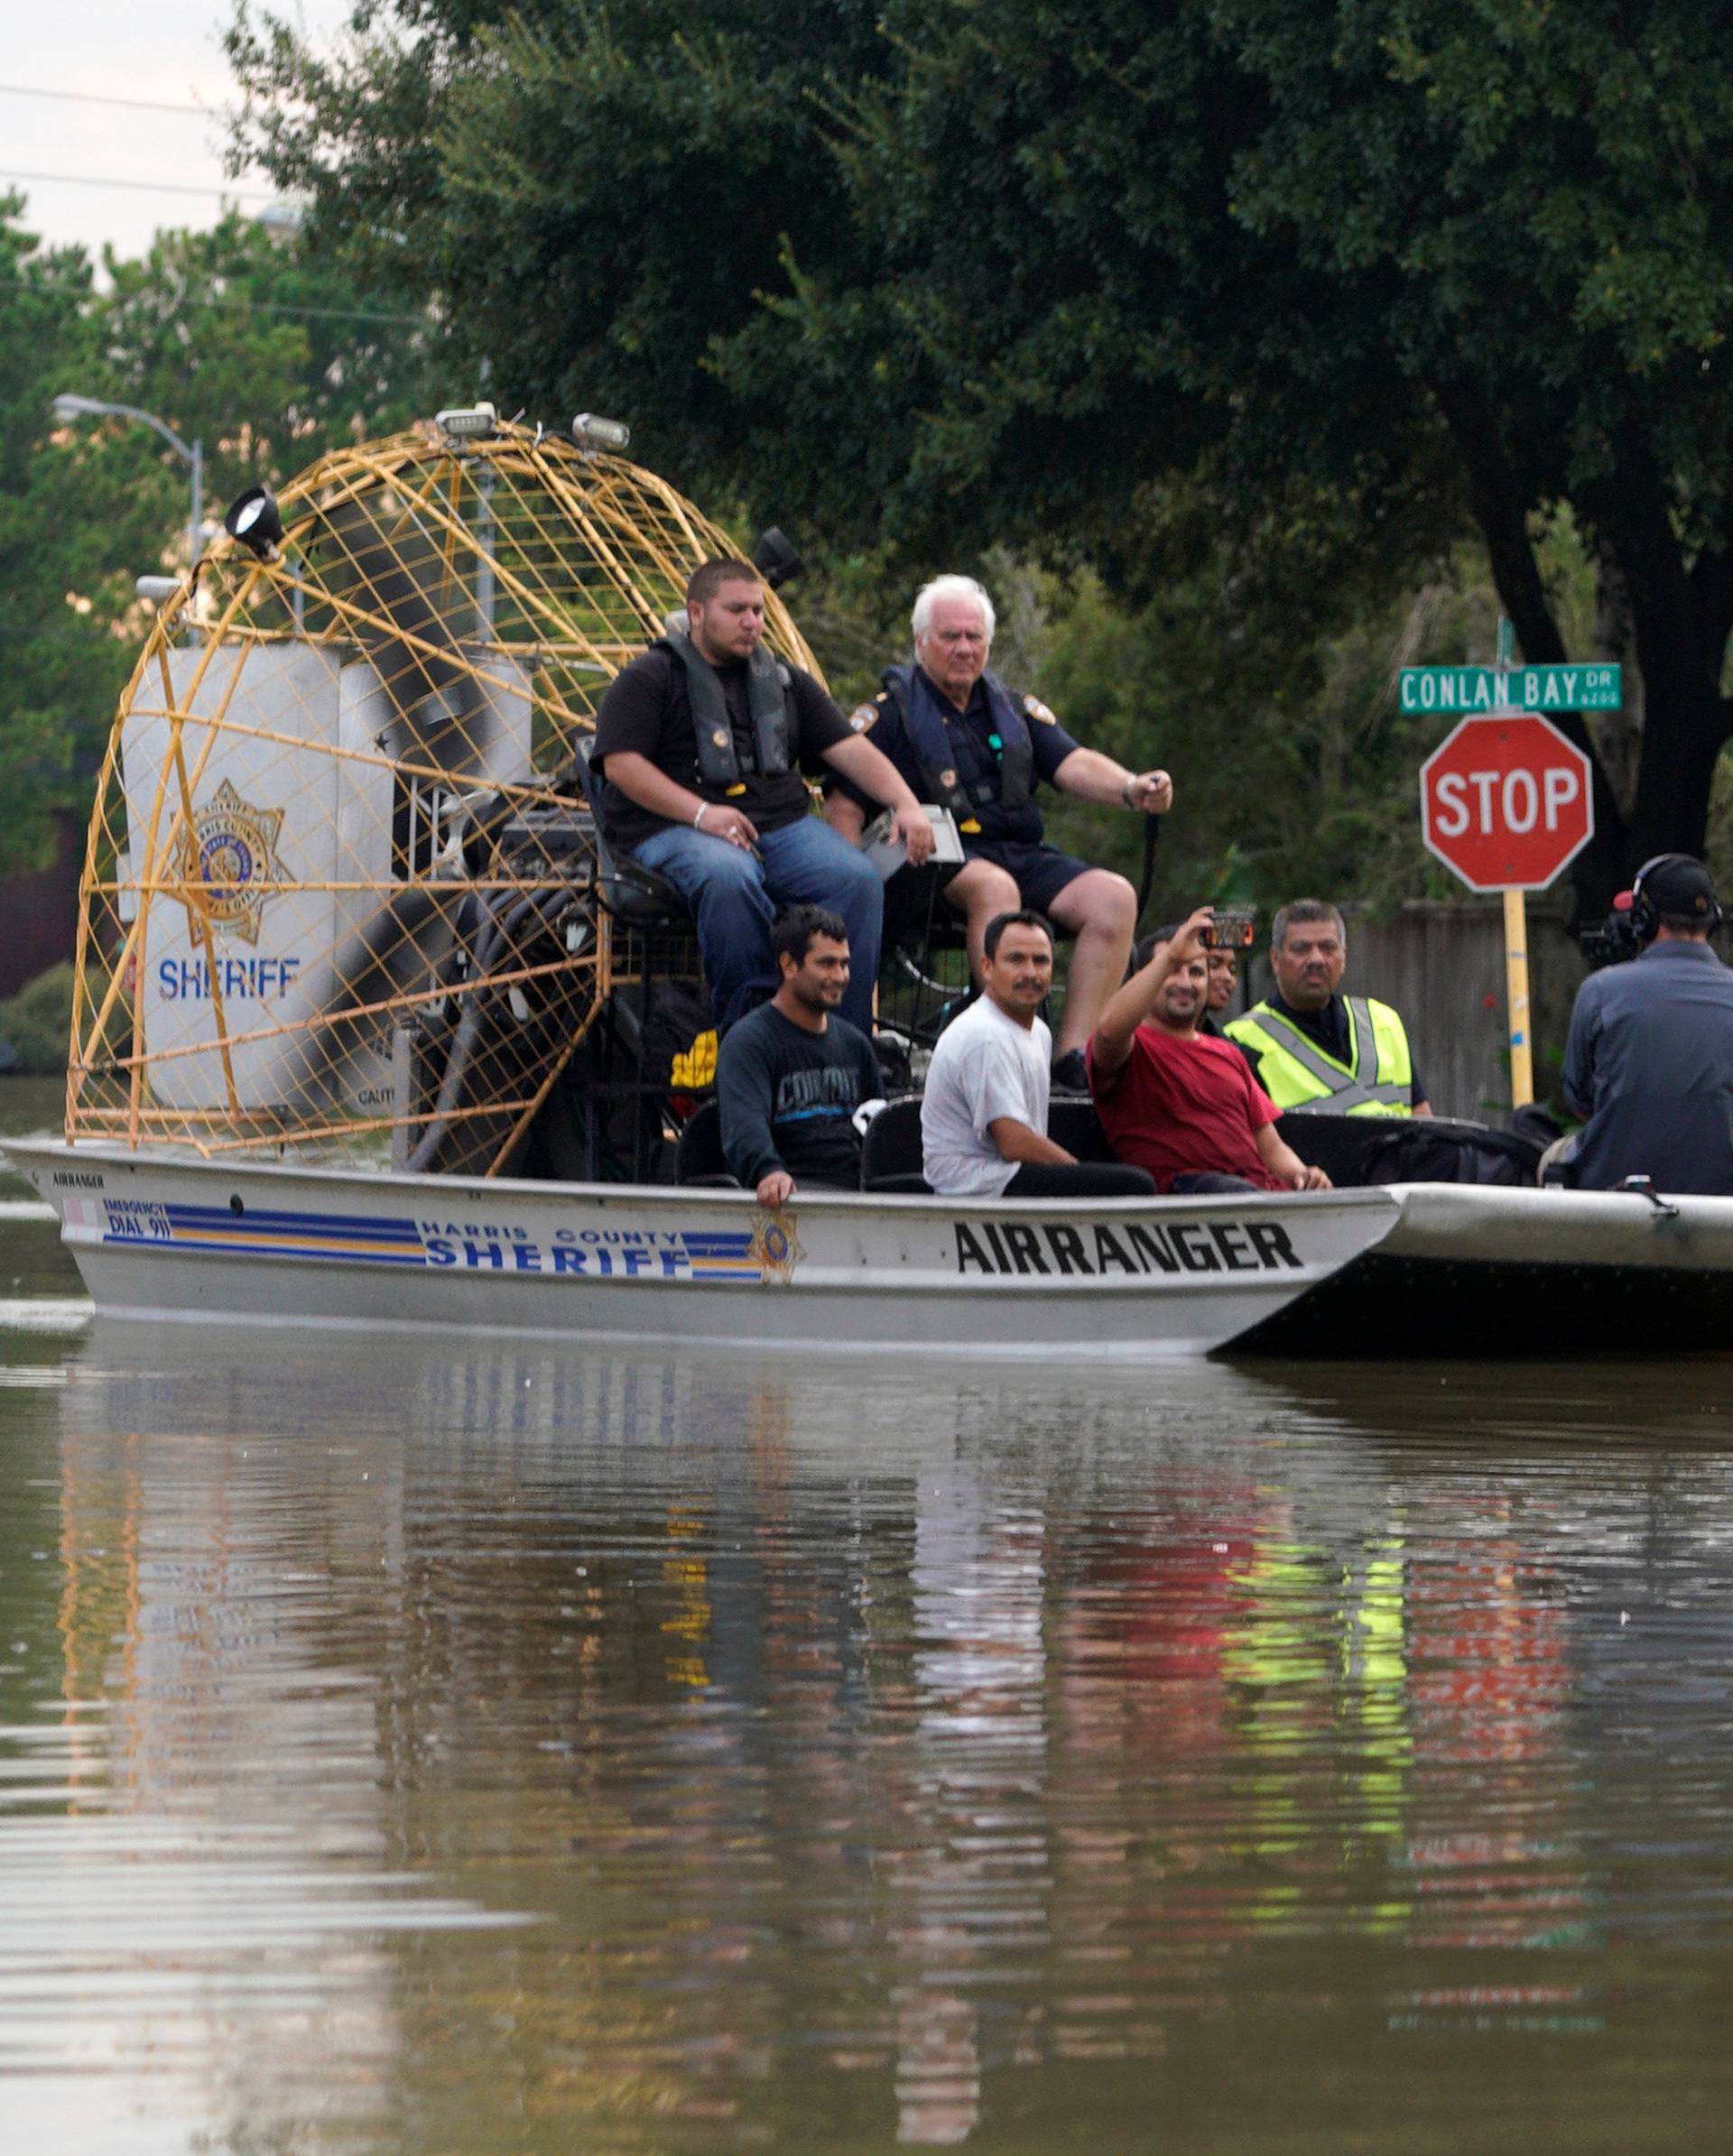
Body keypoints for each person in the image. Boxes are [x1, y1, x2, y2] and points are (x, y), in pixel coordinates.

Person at [822, 573, 1172, 1084]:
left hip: (1016, 849)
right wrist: (847, 879)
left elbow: (1072, 763)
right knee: (995, 886)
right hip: (932, 862)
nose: (963, 648)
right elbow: (843, 800)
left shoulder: (1011, 706)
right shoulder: (889, 713)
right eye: (950, 637)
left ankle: (1073, 1059)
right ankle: (1004, 1048)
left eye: (974, 637)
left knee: (1113, 896)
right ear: (922, 642)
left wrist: (1131, 786)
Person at [593, 558, 934, 1035]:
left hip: (779, 827)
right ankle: (748, 1037)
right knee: (729, 876)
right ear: (696, 612)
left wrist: (907, 803)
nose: (752, 622)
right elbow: (620, 766)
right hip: (672, 828)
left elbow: (851, 750)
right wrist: (702, 814)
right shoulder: (651, 677)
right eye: (736, 610)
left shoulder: (784, 680)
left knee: (855, 878)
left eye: (758, 610)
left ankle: (845, 1042)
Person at [1089, 909, 1332, 1194]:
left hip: (1258, 1199)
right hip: (1190, 1201)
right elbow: (1107, 1031)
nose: (1185, 983)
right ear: (1146, 977)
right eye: (1172, 971)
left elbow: (1270, 1146)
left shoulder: (1228, 1054)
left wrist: (1304, 1176)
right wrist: (1171, 956)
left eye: (1195, 972)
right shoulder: (1131, 1047)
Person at [920, 911, 1156, 1198]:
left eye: (1040, 960)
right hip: (974, 1188)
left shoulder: (1039, 1032)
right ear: (987, 967)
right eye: (1016, 960)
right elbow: (1015, 1143)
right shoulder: (985, 1035)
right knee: (1133, 1185)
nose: (1030, 973)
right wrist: (1077, 1173)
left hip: (1010, 1175)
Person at [1561, 854, 1733, 1193]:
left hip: (1614, 1200)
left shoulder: (1600, 991)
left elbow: (1580, 1101)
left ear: (1643, 919)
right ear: (1711, 919)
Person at [716, 906, 883, 1206]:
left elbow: (878, 1130)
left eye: (844, 964)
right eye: (827, 963)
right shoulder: (748, 1043)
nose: (840, 976)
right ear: (789, 966)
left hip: (858, 1202)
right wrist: (769, 1172)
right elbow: (744, 1128)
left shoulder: (855, 1044)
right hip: (787, 1202)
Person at [1222, 900, 1431, 1116]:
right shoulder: (1240, 1042)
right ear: (1276, 959)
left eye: (1327, 947)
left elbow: (1423, 1119)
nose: (1316, 959)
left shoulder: (1383, 1021)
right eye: (1301, 948)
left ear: (1344, 956)